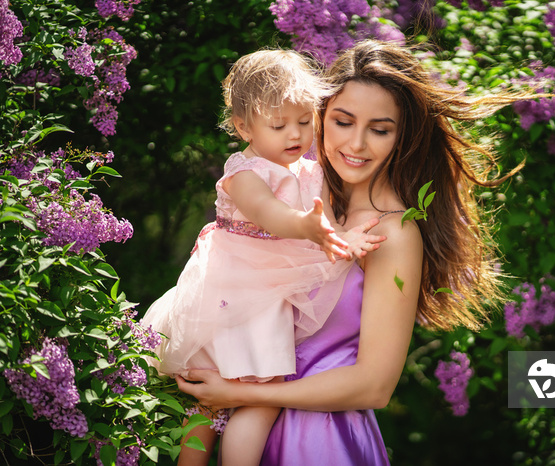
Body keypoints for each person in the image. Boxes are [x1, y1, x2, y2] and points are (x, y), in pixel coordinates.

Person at [176, 40, 535, 465]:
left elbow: (374, 386)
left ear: (402, 136)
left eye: (380, 129)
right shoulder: (300, 199)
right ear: (320, 117)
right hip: (246, 422)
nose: (357, 144)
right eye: (343, 121)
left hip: (318, 439)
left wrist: (239, 393)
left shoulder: (393, 232)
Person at [141, 49, 384, 466]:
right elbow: (272, 215)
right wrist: (310, 228)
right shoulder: (244, 173)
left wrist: (345, 238)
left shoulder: (309, 171)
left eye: (305, 122)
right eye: (279, 125)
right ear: (243, 127)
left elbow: (321, 225)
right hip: (233, 301)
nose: (295, 134)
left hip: (262, 299)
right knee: (219, 401)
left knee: (235, 400)